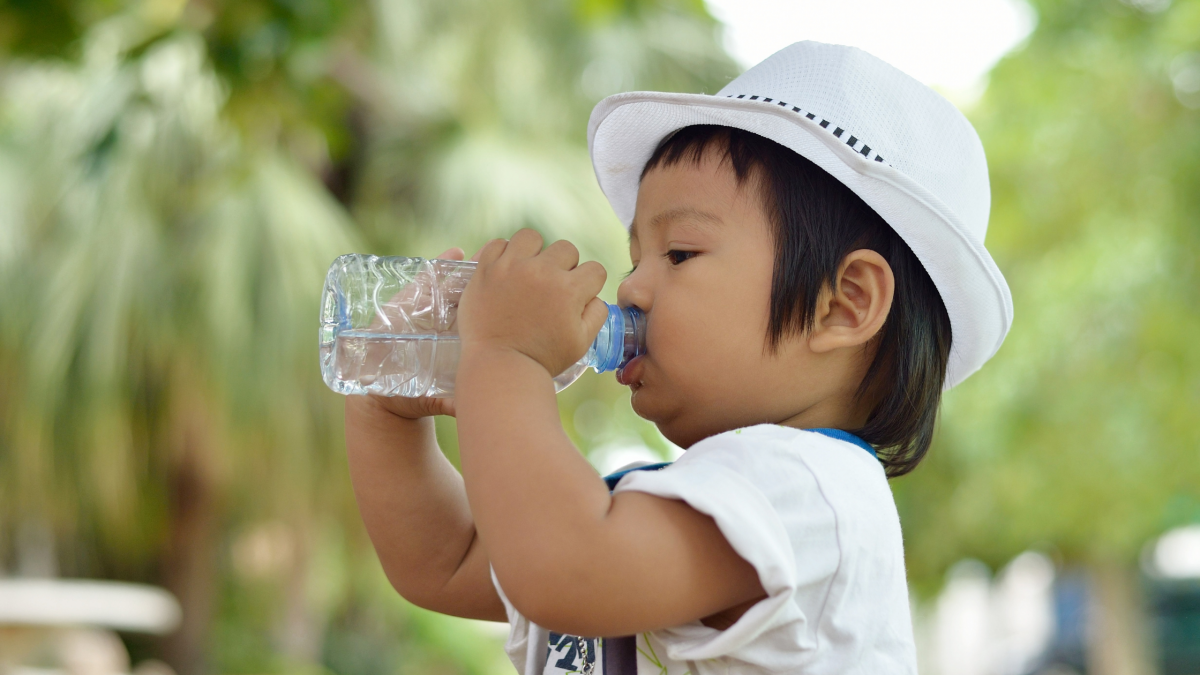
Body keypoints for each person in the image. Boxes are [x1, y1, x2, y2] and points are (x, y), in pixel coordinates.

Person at [344, 41, 1012, 674]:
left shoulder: (816, 488)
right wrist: (385, 412)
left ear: (843, 305)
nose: (630, 287)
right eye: (637, 257)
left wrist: (505, 358)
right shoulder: (674, 504)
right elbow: (447, 559)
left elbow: (562, 565)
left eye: (680, 254)